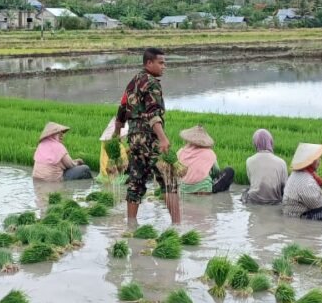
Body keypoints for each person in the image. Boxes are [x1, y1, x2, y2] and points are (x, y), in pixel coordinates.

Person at [114, 47, 179, 221]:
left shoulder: (133, 81)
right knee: (168, 180)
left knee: (136, 181)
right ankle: (178, 226)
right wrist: (163, 138)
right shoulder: (152, 83)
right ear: (149, 63)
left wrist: (115, 135)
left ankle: (131, 224)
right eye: (161, 62)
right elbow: (153, 114)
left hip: (134, 139)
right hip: (150, 138)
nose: (164, 66)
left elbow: (121, 110)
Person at [177, 125, 235, 194]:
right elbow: (216, 172)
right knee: (229, 171)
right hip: (204, 189)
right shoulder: (209, 153)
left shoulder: (181, 152)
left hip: (183, 189)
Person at [241, 128, 287, 205]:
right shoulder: (281, 162)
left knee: (246, 191)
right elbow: (285, 188)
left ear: (255, 143)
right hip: (275, 202)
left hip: (253, 200)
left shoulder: (249, 161)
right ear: (271, 142)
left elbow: (252, 182)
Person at [98, 117, 129, 182]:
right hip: (111, 176)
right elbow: (122, 161)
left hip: (106, 174)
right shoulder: (115, 145)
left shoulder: (109, 144)